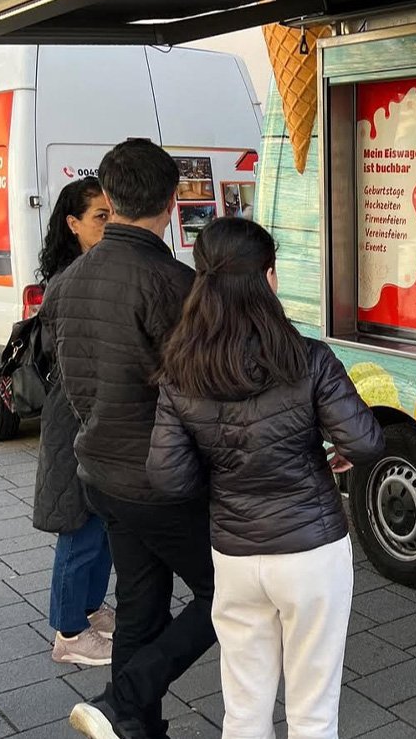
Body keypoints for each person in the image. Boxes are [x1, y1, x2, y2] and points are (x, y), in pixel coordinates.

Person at [146, 217, 385, 739]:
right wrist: (334, 452)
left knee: (244, 707)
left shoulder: (179, 372)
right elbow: (366, 442)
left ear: (201, 279)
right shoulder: (307, 358)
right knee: (313, 711)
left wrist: (222, 465)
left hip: (234, 554)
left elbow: (167, 478)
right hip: (312, 550)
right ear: (269, 278)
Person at [39, 139, 215, 739]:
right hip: (159, 477)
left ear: (110, 201)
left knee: (141, 602)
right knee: (231, 593)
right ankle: (124, 699)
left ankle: (137, 726)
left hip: (102, 471)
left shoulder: (65, 283)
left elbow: (67, 381)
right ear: (173, 200)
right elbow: (201, 391)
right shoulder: (177, 283)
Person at [33, 177, 115, 667]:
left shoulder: (95, 271)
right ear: (73, 224)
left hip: (96, 417)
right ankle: (68, 633)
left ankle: (88, 608)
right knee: (78, 525)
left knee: (101, 522)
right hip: (75, 420)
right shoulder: (72, 281)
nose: (109, 225)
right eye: (100, 218)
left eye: (113, 215)